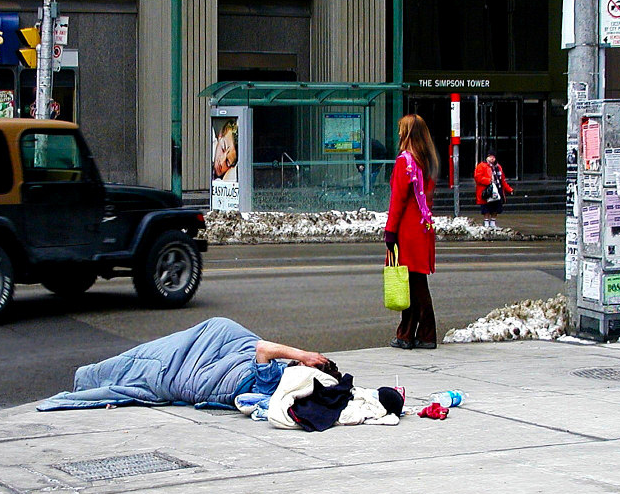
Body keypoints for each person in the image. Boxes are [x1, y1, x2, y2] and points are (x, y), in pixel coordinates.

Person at [37, 317, 333, 411]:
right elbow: (259, 348)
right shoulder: (275, 379)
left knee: (144, 366)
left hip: (198, 369)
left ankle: (87, 378)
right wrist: (301, 357)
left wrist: (302, 355)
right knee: (145, 361)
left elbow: (263, 349)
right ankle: (88, 377)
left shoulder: (274, 387)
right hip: (213, 342)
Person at [384, 114, 439, 350]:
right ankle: (409, 333)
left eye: (400, 129)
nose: (398, 133)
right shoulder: (427, 161)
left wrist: (390, 230)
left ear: (407, 133)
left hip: (406, 229)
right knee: (416, 283)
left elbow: (398, 200)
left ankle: (422, 333)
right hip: (423, 227)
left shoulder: (404, 162)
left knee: (411, 284)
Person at [474, 150, 514, 228]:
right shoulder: (481, 166)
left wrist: (509, 189)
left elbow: (502, 180)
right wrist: (488, 181)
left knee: (495, 207)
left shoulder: (498, 167)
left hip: (497, 189)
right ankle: (486, 223)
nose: (492, 158)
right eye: (490, 157)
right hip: (487, 190)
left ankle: (492, 222)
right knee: (486, 207)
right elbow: (477, 178)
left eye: (493, 157)